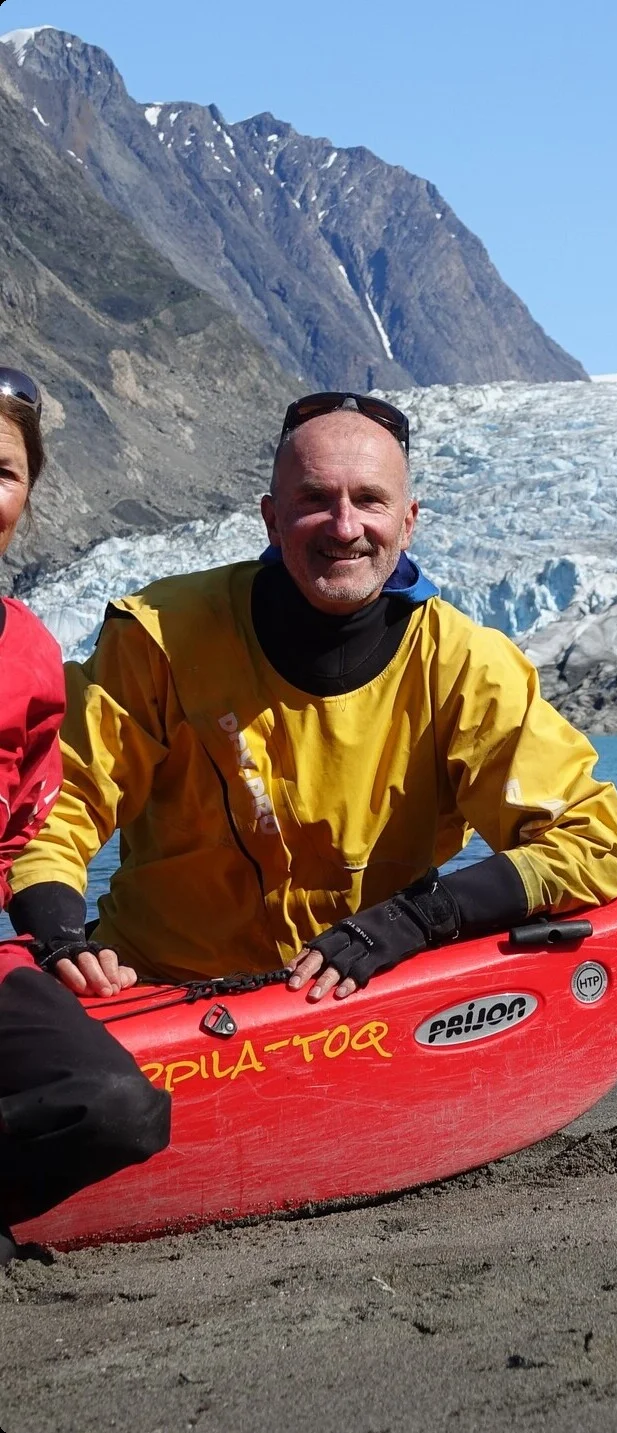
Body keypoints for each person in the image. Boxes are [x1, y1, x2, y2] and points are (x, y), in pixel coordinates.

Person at [9, 391, 617, 1006]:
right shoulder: (160, 635)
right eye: (314, 500)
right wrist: (61, 940)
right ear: (271, 519)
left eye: (370, 501)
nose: (345, 528)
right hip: (157, 992)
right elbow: (54, 808)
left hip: (364, 995)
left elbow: (593, 845)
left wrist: (417, 919)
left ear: (408, 521)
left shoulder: (465, 666)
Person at [0, 367, 170, 1266]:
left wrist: (60, 935)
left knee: (124, 1107)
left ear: (28, 492)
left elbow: (26, 827)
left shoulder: (30, 653)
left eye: (2, 471)